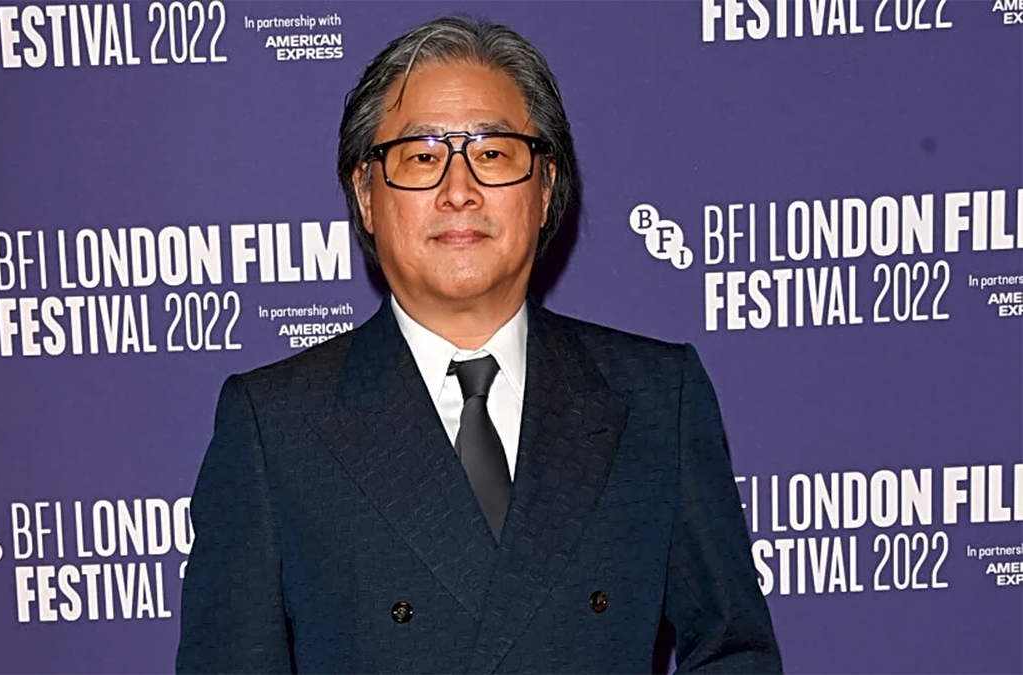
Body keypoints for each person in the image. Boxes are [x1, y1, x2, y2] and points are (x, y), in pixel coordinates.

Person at [176, 15, 781, 675]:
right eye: (421, 156)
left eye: (493, 153)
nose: (459, 191)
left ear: (545, 187)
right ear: (366, 194)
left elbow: (735, 653)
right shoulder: (273, 427)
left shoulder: (657, 398)